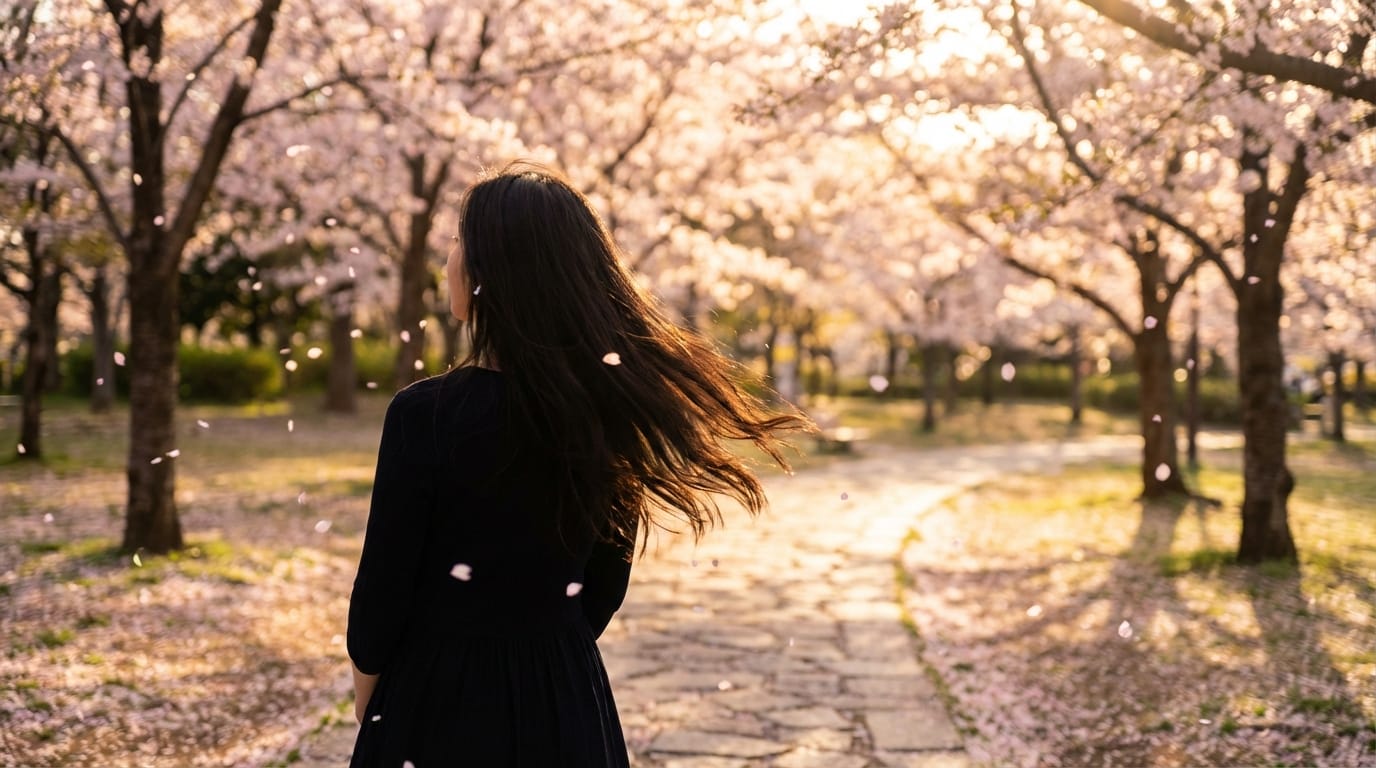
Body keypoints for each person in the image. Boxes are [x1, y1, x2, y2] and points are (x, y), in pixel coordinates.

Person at [346, 162, 809, 767]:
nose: (449, 260)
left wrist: (374, 709)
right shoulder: (601, 415)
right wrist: (543, 658)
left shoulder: (423, 415)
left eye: (459, 242)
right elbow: (602, 587)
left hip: (436, 697)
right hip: (565, 700)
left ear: (492, 269)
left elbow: (381, 598)